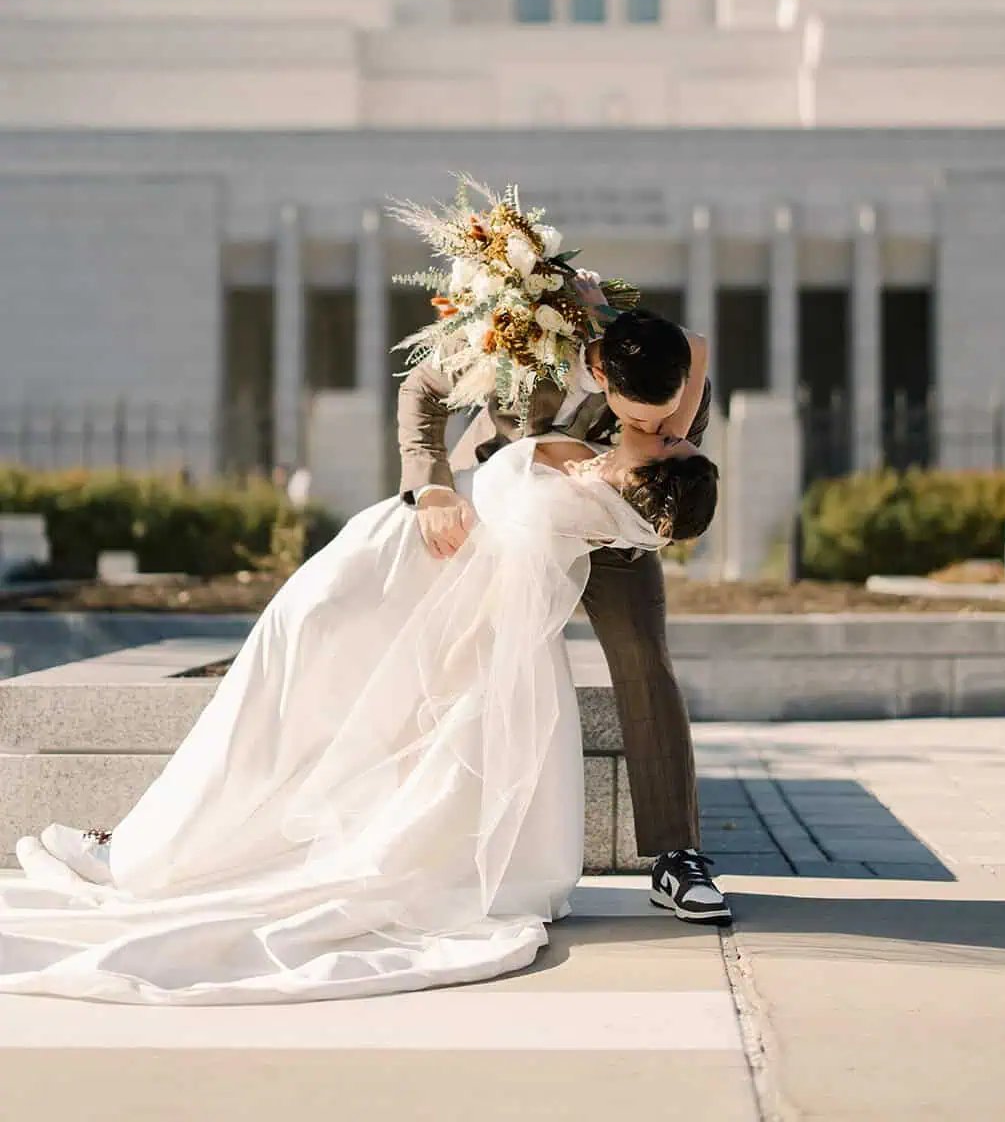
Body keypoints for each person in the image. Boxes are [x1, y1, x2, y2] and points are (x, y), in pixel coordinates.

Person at [0, 428, 716, 1006]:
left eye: (675, 448)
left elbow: (490, 599)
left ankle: (164, 851)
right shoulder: (600, 464)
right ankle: (161, 844)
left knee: (275, 712)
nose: (675, 433)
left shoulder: (566, 510)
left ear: (640, 486)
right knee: (272, 701)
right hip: (381, 556)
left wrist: (437, 681)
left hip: (394, 579)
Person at [398, 302, 731, 924]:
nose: (662, 432)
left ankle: (676, 856)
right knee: (466, 662)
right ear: (604, 378)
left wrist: (626, 513)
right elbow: (423, 387)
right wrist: (433, 485)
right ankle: (434, 838)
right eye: (645, 422)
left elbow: (669, 484)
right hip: (498, 511)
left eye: (669, 421)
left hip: (609, 531)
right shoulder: (521, 340)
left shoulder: (678, 386)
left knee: (644, 659)